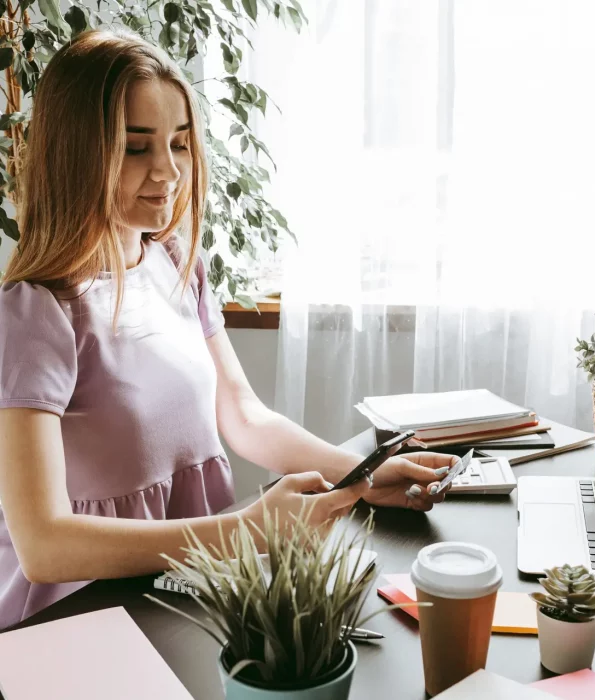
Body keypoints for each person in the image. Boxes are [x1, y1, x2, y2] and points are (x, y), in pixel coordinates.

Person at [0, 29, 457, 630]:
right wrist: (246, 529)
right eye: (136, 148)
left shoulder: (174, 264)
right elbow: (44, 546)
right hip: (82, 621)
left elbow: (242, 414)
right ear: (77, 154)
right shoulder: (36, 313)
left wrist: (362, 477)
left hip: (183, 592)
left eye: (180, 144)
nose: (167, 171)